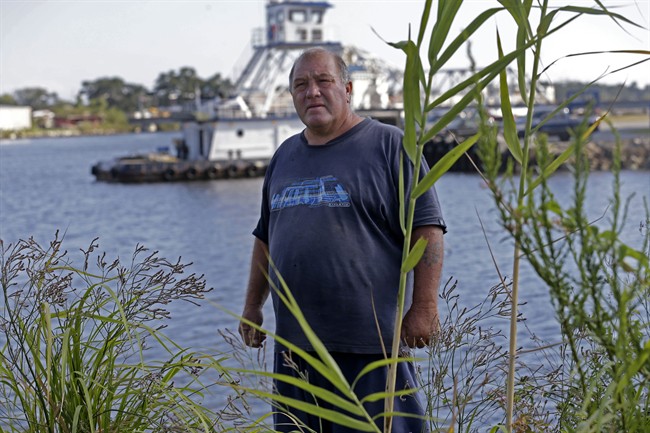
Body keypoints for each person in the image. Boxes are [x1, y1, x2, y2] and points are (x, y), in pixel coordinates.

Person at [239, 46, 446, 433]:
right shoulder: (284, 156)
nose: (312, 92)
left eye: (323, 81)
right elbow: (266, 239)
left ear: (348, 88)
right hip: (295, 352)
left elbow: (427, 229)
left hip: (370, 347)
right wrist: (252, 305)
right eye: (300, 85)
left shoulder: (390, 146)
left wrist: (424, 306)